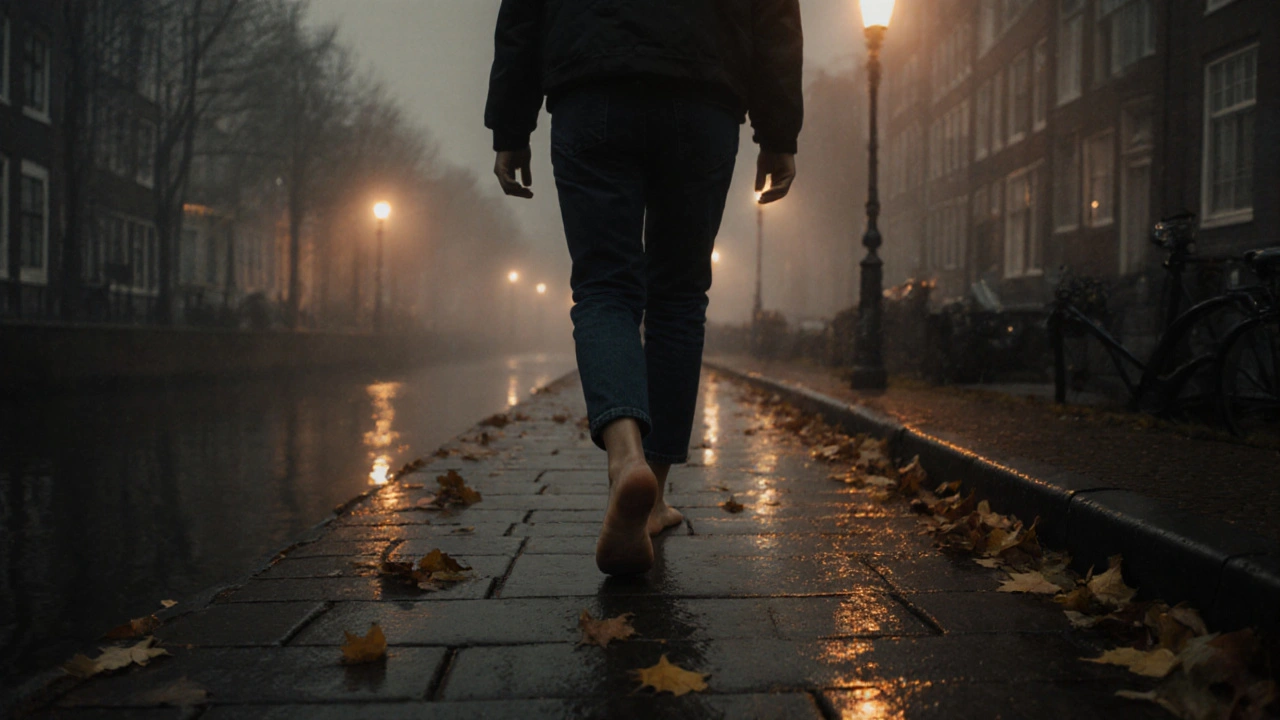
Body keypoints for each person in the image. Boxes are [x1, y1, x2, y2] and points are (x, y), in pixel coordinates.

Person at [485, 0, 803, 575]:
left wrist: (511, 124)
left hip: (593, 81)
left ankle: (624, 459)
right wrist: (779, 131)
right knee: (679, 297)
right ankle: (652, 496)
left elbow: (523, 11)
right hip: (704, 88)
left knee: (605, 287)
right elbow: (775, 13)